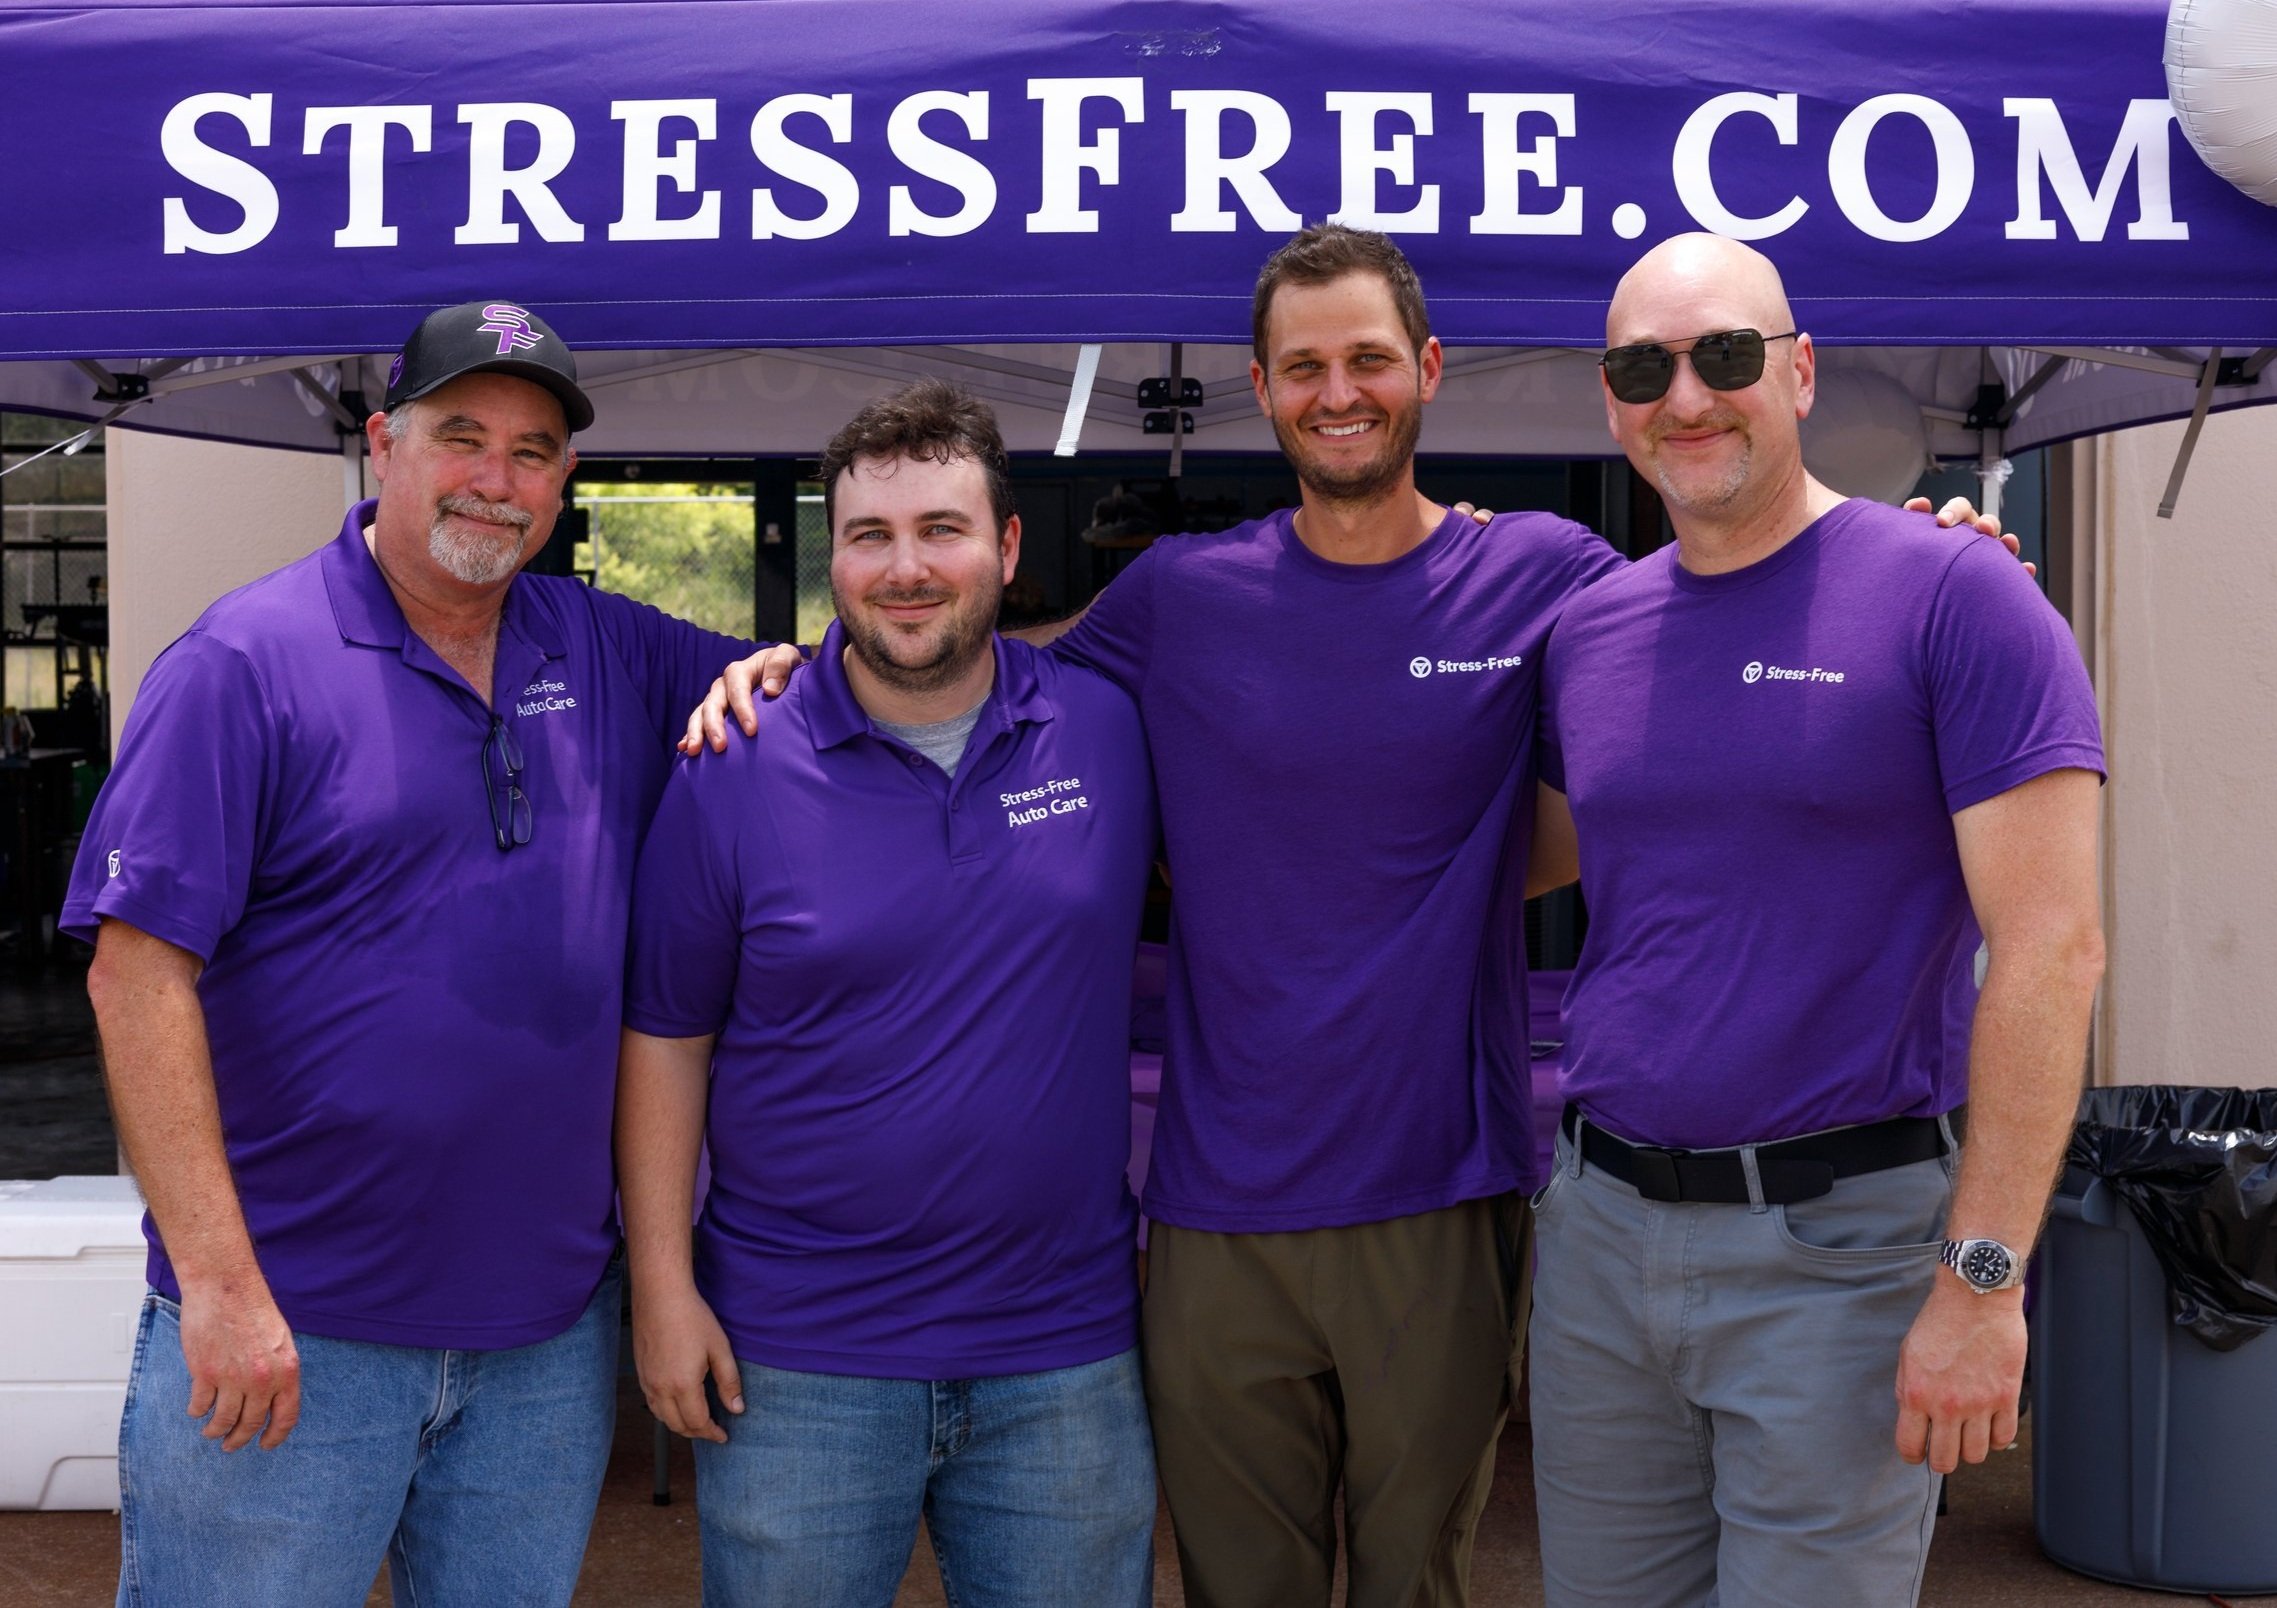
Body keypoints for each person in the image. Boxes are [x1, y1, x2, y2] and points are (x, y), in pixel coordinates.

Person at [692, 226, 2016, 1608]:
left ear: (1427, 369)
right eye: (1306, 365)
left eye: (1369, 359)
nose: (1340, 392)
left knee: (1416, 1584)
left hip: (1439, 1196)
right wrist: (803, 665)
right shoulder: (1181, 596)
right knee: (1238, 1588)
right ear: (1261, 388)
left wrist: (1921, 557)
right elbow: (982, 668)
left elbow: (1731, 593)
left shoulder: (1548, 578)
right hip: (1216, 1212)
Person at [62, 299, 775, 1608]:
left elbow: (868, 685)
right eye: (462, 437)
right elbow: (136, 975)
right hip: (295, 1328)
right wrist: (218, 1287)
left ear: (564, 480)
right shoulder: (244, 662)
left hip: (544, 1339)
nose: (496, 479)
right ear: (384, 444)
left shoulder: (601, 644)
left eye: (533, 452)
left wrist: (779, 668)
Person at [1525, 233, 2106, 1606]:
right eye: (1643, 370)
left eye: (1725, 355)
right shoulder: (1590, 633)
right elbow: (1503, 866)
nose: (1685, 397)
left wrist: (1983, 1283)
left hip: (1840, 1255)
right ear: (1609, 402)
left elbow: (2052, 949)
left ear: (1798, 373)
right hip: (1600, 1245)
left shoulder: (1956, 593)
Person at [616, 380, 1160, 1607]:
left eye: (940, 530)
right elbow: (666, 1038)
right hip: (798, 1357)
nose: (906, 569)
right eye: (871, 535)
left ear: (1005, 548)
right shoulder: (734, 758)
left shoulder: (1109, 733)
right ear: (835, 558)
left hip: (1061, 1354)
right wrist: (662, 1288)